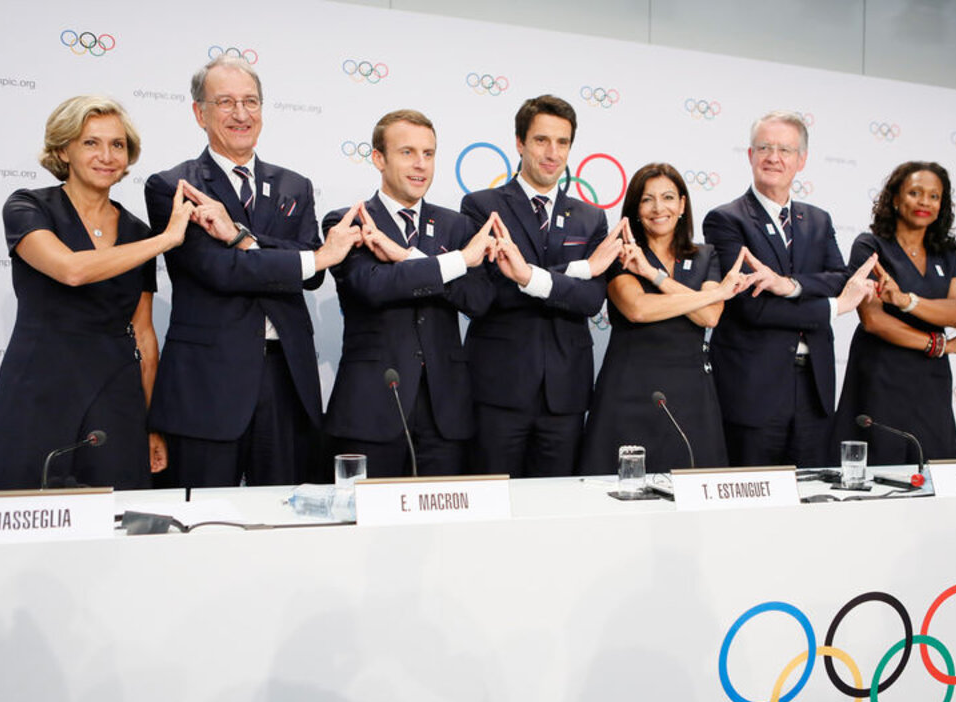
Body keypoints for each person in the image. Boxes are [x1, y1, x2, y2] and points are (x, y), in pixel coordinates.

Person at [144, 55, 362, 488]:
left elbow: (309, 275)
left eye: (251, 101)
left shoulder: (293, 185)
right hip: (208, 383)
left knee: (288, 518)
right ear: (199, 113)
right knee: (200, 521)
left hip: (286, 378)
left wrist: (240, 236)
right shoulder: (174, 186)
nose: (241, 114)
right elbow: (220, 269)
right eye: (225, 102)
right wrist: (313, 257)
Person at [0, 95, 193, 491]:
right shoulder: (29, 206)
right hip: (39, 385)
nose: (107, 155)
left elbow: (144, 335)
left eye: (117, 144)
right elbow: (72, 270)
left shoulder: (138, 233)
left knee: (116, 520)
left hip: (115, 393)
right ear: (63, 149)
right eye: (91, 142)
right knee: (20, 513)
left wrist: (150, 424)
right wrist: (167, 239)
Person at [321, 110, 497, 477]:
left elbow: (479, 300)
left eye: (429, 154)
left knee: (441, 529)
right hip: (371, 408)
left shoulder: (458, 225)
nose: (421, 165)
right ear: (379, 158)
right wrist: (457, 263)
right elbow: (372, 286)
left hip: (445, 412)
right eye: (407, 153)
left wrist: (407, 258)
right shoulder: (350, 221)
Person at [460, 94, 626, 477]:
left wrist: (526, 275)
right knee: (493, 505)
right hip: (498, 387)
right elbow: (486, 293)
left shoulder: (590, 218)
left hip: (565, 393)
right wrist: (581, 268)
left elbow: (589, 299)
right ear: (519, 143)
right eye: (541, 140)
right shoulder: (482, 206)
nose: (552, 153)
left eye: (562, 142)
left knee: (557, 508)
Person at [703, 112, 875, 469]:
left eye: (785, 149)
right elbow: (752, 307)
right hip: (754, 389)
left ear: (802, 160)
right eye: (764, 147)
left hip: (814, 388)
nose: (773, 157)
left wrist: (790, 286)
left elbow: (839, 277)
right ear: (750, 155)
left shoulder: (818, 219)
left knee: (812, 501)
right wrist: (834, 308)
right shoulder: (726, 219)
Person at [579, 162, 753, 475]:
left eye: (669, 197)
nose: (659, 208)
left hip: (691, 395)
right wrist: (714, 293)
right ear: (635, 208)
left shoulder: (705, 254)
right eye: (647, 199)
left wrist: (653, 275)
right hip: (629, 391)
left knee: (691, 491)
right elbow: (638, 308)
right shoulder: (621, 253)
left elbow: (710, 317)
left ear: (683, 204)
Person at [832, 161, 956, 465]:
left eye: (934, 196)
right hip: (881, 374)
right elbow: (873, 320)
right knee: (879, 465)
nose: (925, 201)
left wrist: (905, 301)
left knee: (934, 467)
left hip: (931, 378)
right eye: (915, 192)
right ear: (896, 199)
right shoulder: (870, 245)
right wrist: (938, 345)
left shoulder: (951, 253)